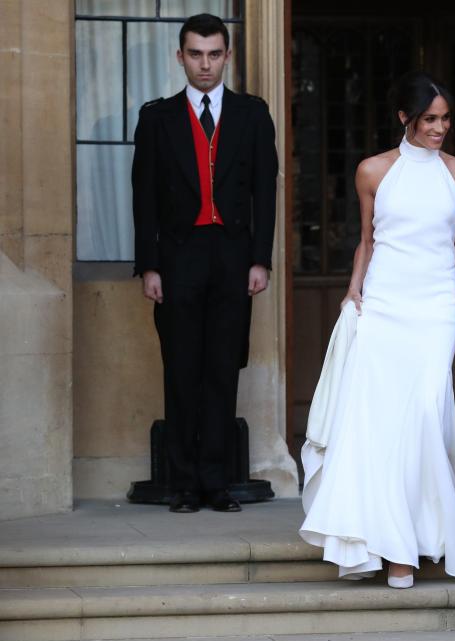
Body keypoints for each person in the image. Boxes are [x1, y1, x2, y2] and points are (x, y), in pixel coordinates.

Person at [299, 72, 455, 589]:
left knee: (422, 418)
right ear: (403, 118)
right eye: (429, 119)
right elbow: (367, 241)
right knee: (380, 425)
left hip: (437, 310)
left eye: (445, 119)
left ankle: (416, 541)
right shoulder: (372, 170)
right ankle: (393, 548)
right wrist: (353, 292)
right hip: (384, 305)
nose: (440, 128)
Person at [131, 13, 279, 514]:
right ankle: (184, 484)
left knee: (222, 368)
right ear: (180, 57)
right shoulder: (157, 117)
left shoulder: (253, 115)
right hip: (177, 258)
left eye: (214, 54)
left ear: (228, 56)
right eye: (195, 54)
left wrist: (261, 259)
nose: (205, 64)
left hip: (234, 258)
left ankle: (216, 482)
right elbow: (143, 197)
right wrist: (149, 266)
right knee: (181, 369)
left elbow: (266, 191)